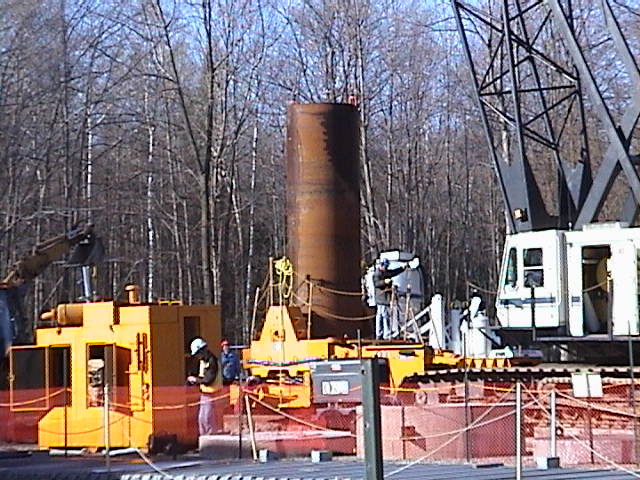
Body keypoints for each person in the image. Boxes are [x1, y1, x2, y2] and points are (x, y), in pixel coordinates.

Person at [187, 337, 219, 436]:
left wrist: (196, 380)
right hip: (205, 395)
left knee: (208, 419)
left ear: (203, 350)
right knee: (202, 420)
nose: (197, 357)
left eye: (198, 354)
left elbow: (209, 380)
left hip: (213, 395)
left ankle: (211, 442)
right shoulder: (203, 361)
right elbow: (202, 376)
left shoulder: (212, 361)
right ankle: (205, 441)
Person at [373, 258, 407, 340]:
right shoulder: (377, 274)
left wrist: (402, 268)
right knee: (383, 315)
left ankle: (382, 333)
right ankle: (385, 333)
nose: (386, 267)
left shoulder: (385, 272)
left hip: (384, 298)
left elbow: (393, 272)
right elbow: (377, 283)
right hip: (381, 298)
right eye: (385, 266)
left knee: (383, 315)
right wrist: (385, 282)